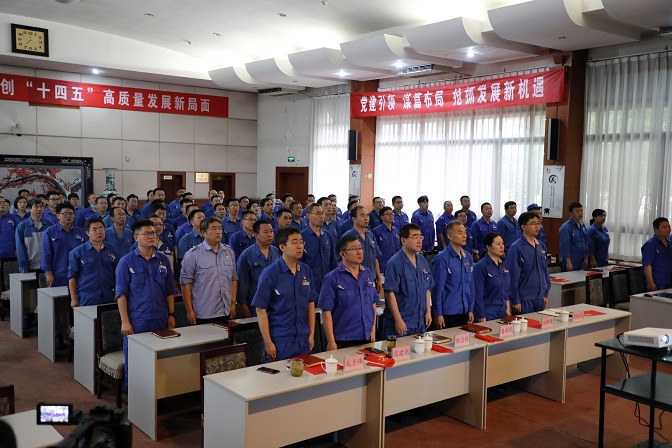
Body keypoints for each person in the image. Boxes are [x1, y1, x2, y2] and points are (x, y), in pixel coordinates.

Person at [117, 219, 177, 389]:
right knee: (136, 359)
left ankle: (157, 393)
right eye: (147, 233)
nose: (152, 236)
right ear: (136, 237)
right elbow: (121, 294)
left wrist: (171, 314)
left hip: (160, 317)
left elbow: (169, 290)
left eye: (153, 233)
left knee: (160, 359)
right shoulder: (126, 262)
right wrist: (125, 321)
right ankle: (133, 393)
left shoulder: (163, 260)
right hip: (138, 319)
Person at [251, 227, 317, 361]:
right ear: (282, 247)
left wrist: (311, 334)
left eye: (301, 242)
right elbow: (260, 310)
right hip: (280, 340)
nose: (299, 246)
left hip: (303, 339)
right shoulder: (270, 273)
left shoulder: (306, 270)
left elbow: (310, 304)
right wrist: (268, 342)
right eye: (294, 242)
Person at [318, 234, 378, 349]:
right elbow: (326, 312)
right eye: (354, 249)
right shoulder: (332, 278)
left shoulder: (368, 273)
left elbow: (373, 303)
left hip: (367, 335)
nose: (359, 252)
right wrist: (331, 341)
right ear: (342, 254)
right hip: (344, 338)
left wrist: (373, 330)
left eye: (360, 248)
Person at [180, 217, 237, 325]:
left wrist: (233, 303)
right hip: (204, 312)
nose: (218, 232)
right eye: (213, 228)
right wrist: (189, 310)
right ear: (203, 233)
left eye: (220, 228)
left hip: (226, 310)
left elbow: (233, 279)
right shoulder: (193, 254)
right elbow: (185, 283)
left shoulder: (229, 252)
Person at [382, 223, 433, 337]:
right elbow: (390, 293)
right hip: (402, 322)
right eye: (415, 237)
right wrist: (398, 319)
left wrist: (428, 312)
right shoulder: (395, 263)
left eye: (420, 237)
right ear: (403, 240)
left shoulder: (422, 260)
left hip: (419, 321)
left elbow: (427, 288)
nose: (419, 241)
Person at [431, 220, 475, 328]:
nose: (464, 236)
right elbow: (437, 289)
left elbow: (471, 285)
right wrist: (438, 313)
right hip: (448, 312)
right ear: (450, 236)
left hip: (464, 310)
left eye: (465, 232)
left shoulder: (468, 257)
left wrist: (470, 309)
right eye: (460, 233)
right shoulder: (442, 259)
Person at [68, 217, 119, 307]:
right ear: (87, 233)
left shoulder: (112, 249)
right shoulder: (77, 252)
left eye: (101, 229)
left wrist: (117, 293)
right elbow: (72, 277)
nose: (99, 232)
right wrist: (73, 298)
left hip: (108, 295)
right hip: (87, 296)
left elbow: (117, 273)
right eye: (94, 230)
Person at [506, 212, 550, 314]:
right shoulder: (516, 248)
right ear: (523, 227)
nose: (537, 226)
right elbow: (512, 277)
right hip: (524, 299)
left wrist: (545, 294)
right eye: (533, 223)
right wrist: (515, 300)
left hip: (540, 298)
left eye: (538, 223)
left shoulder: (541, 246)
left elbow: (545, 272)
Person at [236, 220, 281, 318]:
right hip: (255, 306)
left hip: (276, 304)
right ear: (256, 235)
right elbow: (242, 282)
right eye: (266, 232)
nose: (270, 235)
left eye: (271, 231)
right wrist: (243, 305)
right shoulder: (247, 255)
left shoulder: (276, 252)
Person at [41, 203, 88, 287]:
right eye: (65, 214)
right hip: (57, 274)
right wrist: (48, 273)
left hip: (78, 274)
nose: (68, 216)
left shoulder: (81, 232)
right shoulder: (50, 232)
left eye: (71, 213)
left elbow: (86, 252)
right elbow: (46, 254)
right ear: (58, 215)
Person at [344, 205, 383, 292]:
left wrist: (379, 279)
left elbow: (375, 258)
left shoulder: (370, 235)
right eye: (362, 215)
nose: (366, 218)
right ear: (354, 219)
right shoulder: (348, 236)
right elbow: (342, 261)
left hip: (371, 279)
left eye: (367, 215)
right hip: (354, 281)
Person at [301, 203, 338, 293]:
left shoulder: (327, 235)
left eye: (322, 213)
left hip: (327, 282)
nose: (321, 216)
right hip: (310, 283)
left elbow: (333, 260)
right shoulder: (302, 237)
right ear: (308, 216)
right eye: (317, 213)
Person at [473, 232, 510, 322]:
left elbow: (506, 291)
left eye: (502, 243)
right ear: (488, 247)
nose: (501, 247)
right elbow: (477, 294)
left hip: (502, 313)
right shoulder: (481, 266)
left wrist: (508, 310)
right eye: (498, 244)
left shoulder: (503, 265)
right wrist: (481, 315)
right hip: (487, 313)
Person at [16, 198, 52, 274]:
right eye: (36, 207)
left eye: (41, 207)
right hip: (30, 266)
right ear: (29, 209)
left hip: (48, 266)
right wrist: (23, 265)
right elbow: (20, 247)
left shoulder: (49, 225)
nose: (39, 209)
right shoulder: (22, 226)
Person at [641, 217, 672, 291]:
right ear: (655, 229)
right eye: (664, 227)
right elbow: (647, 265)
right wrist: (650, 282)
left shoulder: (670, 243)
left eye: (669, 227)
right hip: (657, 284)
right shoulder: (650, 244)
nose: (668, 229)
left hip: (669, 283)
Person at [559, 202, 588, 271]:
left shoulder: (582, 225)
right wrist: (568, 262)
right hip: (572, 261)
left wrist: (586, 258)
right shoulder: (566, 227)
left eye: (581, 211)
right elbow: (565, 246)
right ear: (571, 213)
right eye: (577, 211)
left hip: (581, 260)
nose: (580, 213)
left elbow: (586, 242)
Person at [372, 206, 401, 274]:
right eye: (388, 214)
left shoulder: (396, 230)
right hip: (382, 265)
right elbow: (374, 250)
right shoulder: (376, 231)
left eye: (392, 214)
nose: (391, 216)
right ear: (382, 217)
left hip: (396, 264)